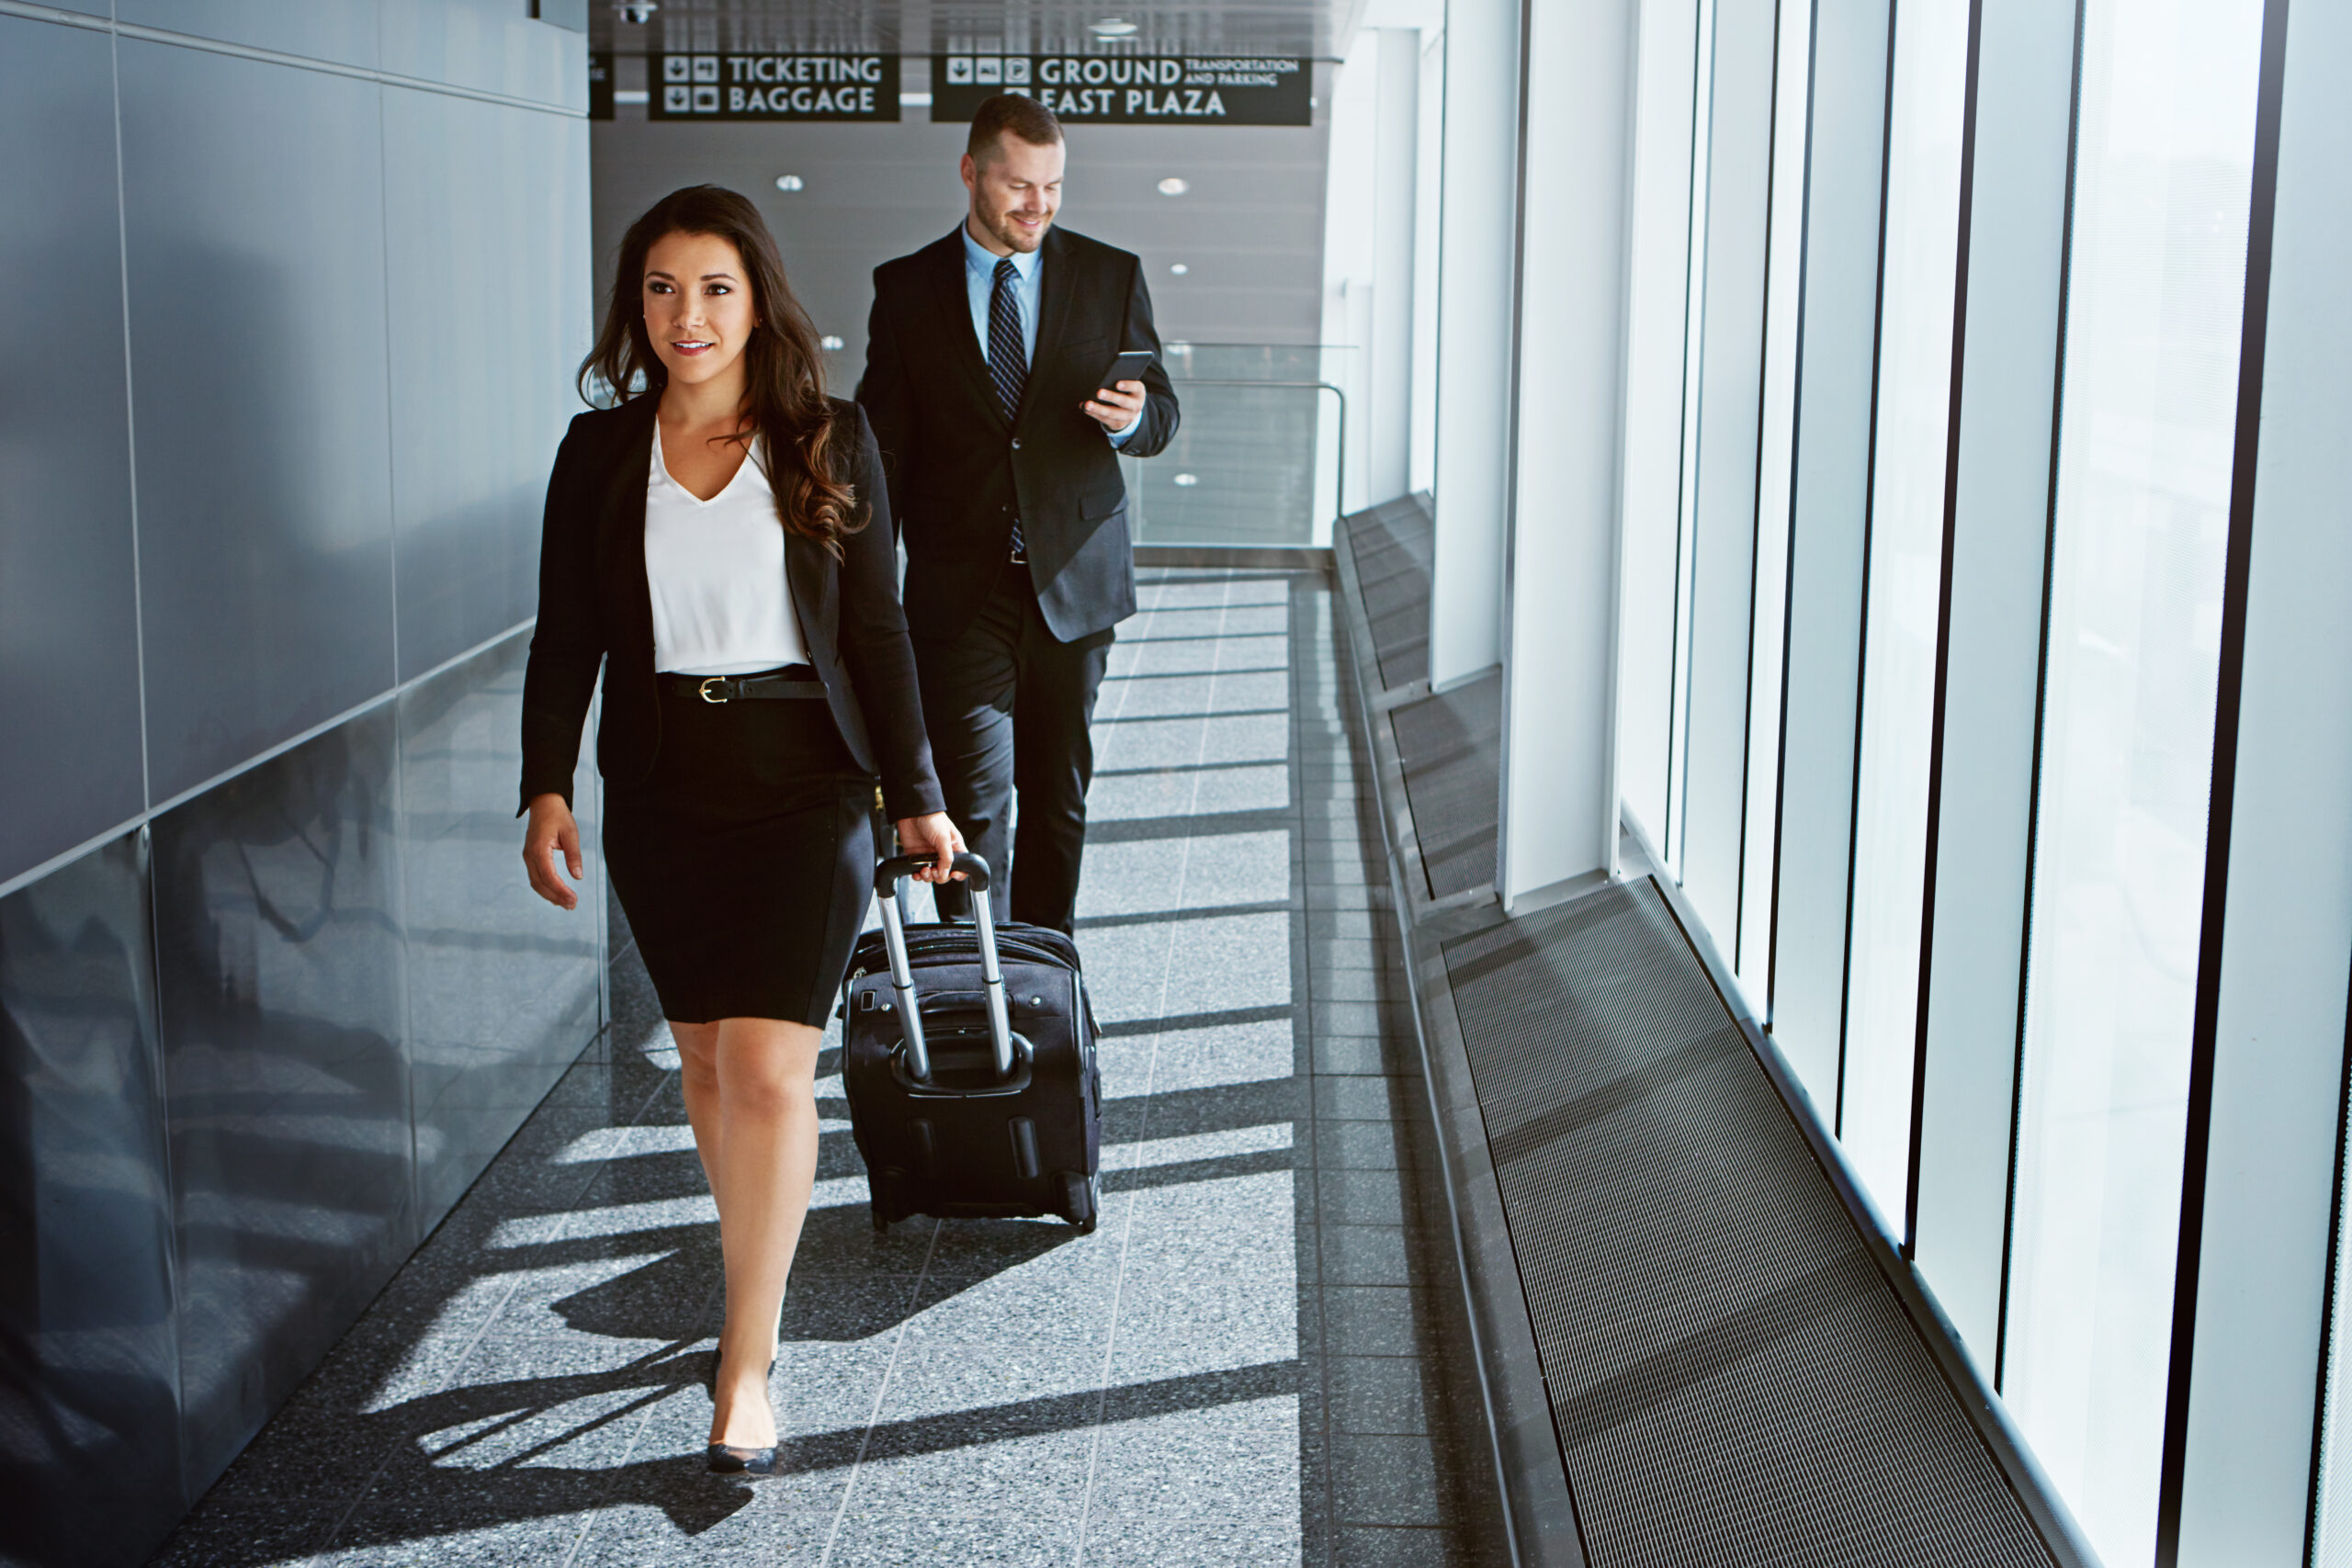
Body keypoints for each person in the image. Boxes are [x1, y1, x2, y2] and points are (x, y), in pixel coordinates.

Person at [515, 186, 965, 1475]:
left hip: (807, 779)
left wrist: (919, 787)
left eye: (714, 286)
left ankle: (745, 1355)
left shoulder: (828, 435)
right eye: (662, 288)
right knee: (707, 1063)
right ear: (634, 306)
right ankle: (747, 1266)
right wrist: (546, 783)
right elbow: (567, 635)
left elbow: (876, 628)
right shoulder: (600, 452)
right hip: (663, 780)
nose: (688, 315)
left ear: (758, 296)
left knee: (769, 1069)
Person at [859, 93, 1180, 933]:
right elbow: (882, 457)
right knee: (973, 807)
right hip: (960, 595)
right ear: (971, 173)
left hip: (1074, 585)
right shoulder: (904, 290)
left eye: (1053, 186)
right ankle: (978, 982)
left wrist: (1135, 418)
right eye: (1018, 185)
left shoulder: (1111, 276)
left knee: (1056, 800)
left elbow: (1164, 414)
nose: (1037, 204)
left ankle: (1044, 976)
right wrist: (861, 594)